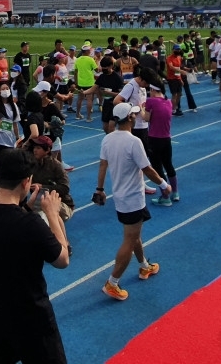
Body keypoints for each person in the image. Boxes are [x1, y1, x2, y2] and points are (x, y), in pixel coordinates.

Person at [0, 149, 69, 364]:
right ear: (26, 181)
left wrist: (25, 207)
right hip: (31, 314)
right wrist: (52, 214)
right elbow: (62, 260)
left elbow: (7, 224)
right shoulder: (31, 224)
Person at [94, 103, 171, 301]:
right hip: (133, 199)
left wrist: (100, 189)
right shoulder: (134, 142)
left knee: (134, 234)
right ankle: (112, 282)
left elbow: (102, 165)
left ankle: (144, 266)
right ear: (129, 118)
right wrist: (164, 185)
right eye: (134, 115)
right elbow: (147, 169)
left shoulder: (107, 139)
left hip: (120, 197)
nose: (137, 117)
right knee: (130, 239)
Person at [142, 80, 179, 206]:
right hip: (167, 138)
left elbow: (146, 118)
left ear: (153, 90)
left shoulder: (151, 101)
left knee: (158, 169)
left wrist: (141, 109)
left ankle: (165, 197)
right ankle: (175, 192)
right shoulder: (168, 102)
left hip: (154, 139)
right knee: (169, 165)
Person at [28, 135, 75, 224]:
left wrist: (43, 187)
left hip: (61, 203)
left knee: (42, 219)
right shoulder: (33, 163)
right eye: (34, 147)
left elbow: (65, 188)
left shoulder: (56, 166)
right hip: (41, 201)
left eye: (38, 148)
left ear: (47, 150)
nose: (35, 150)